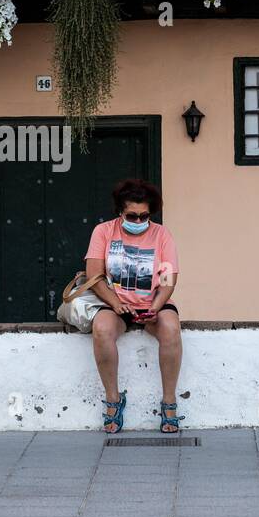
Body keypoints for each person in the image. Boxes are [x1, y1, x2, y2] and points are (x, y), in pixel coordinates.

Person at [84, 178, 182, 434]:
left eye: (144, 216)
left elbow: (168, 278)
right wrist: (115, 304)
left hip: (153, 304)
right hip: (115, 304)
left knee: (171, 328)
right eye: (132, 216)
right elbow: (94, 275)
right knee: (102, 329)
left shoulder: (162, 234)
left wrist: (156, 306)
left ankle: (169, 402)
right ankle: (113, 401)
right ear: (120, 211)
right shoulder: (103, 231)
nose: (138, 222)